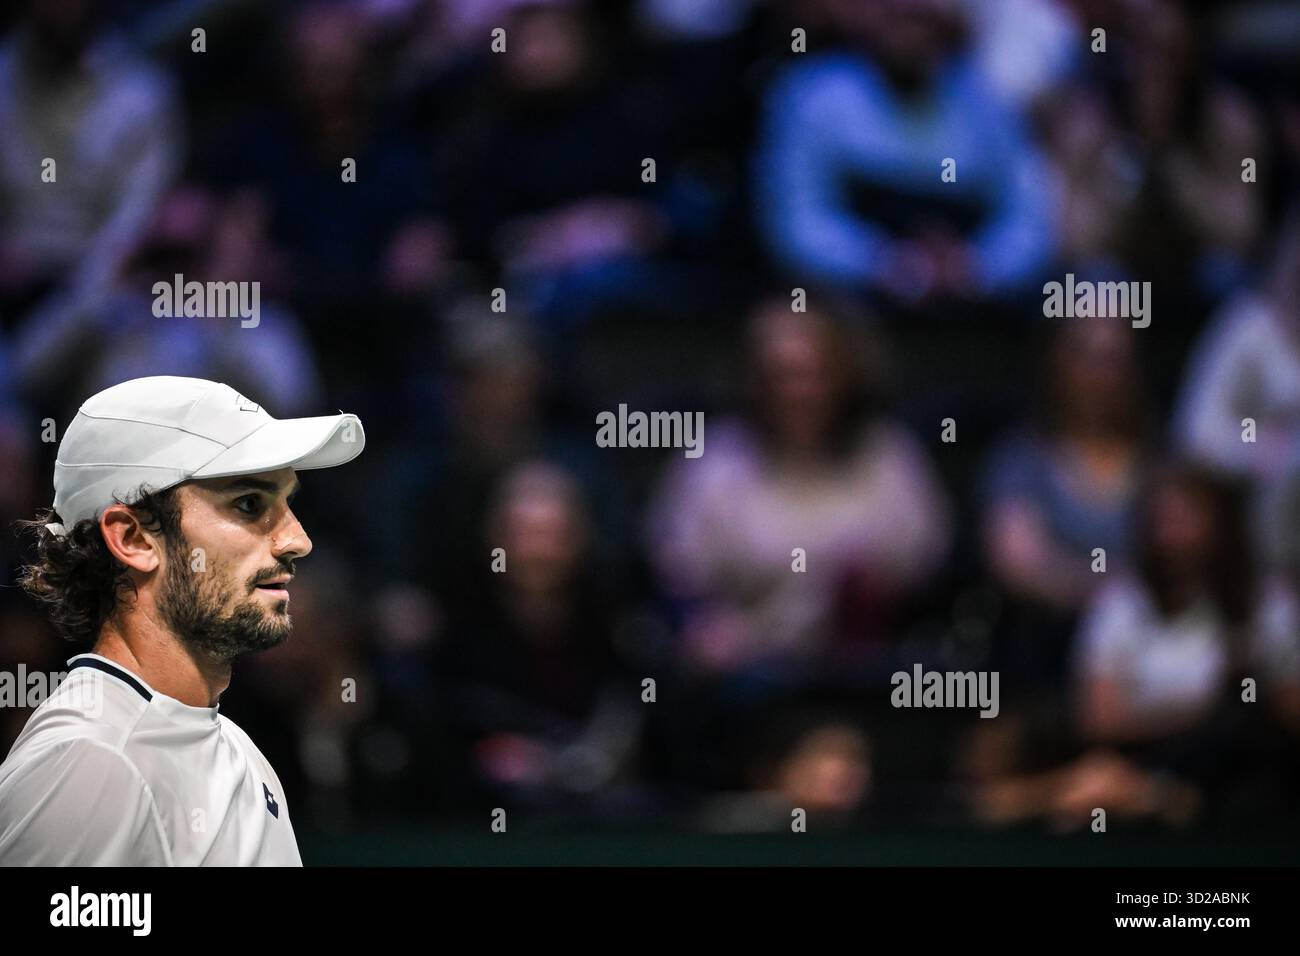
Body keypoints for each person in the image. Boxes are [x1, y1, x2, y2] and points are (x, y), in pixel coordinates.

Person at [0, 376, 365, 865]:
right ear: (132, 539)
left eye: (287, 504)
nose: (297, 540)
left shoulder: (234, 746)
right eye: (250, 503)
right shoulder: (89, 762)